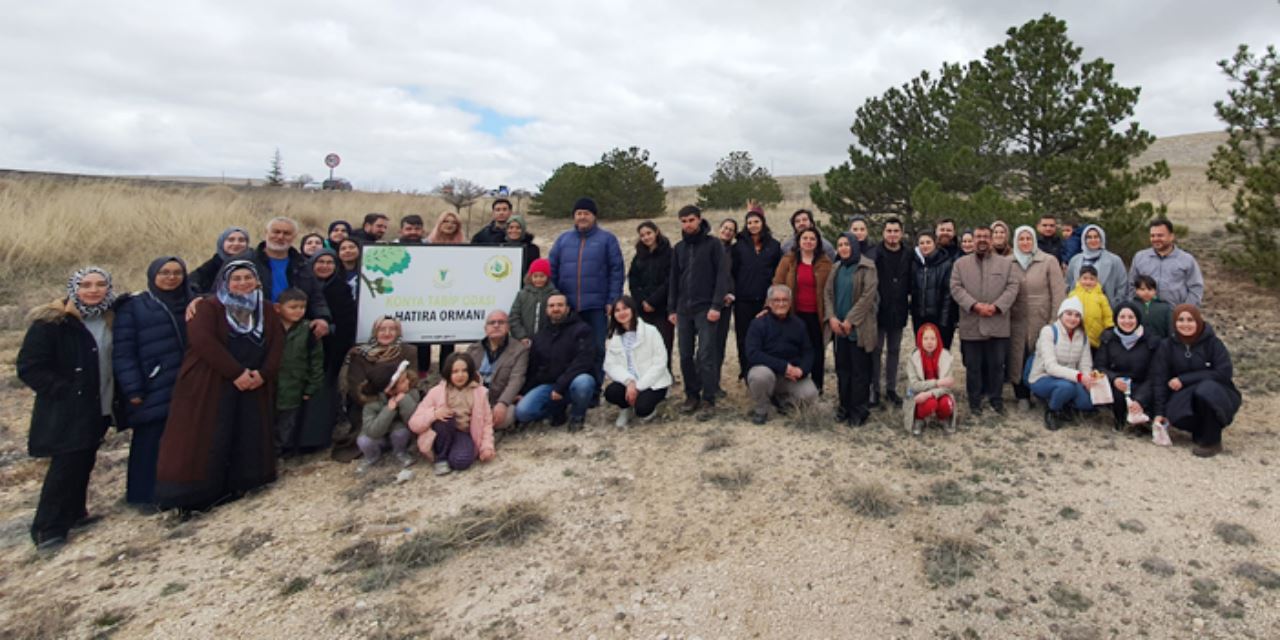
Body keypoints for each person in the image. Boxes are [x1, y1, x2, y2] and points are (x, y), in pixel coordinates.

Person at [154, 259, 284, 512]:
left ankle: (241, 482)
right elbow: (203, 342)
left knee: (246, 432)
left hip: (253, 382)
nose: (243, 283)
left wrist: (264, 373)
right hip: (212, 380)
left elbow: (277, 343)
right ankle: (197, 495)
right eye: (236, 279)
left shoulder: (265, 308)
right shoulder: (209, 307)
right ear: (225, 282)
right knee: (208, 434)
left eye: (248, 278)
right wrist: (236, 373)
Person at [18, 267, 121, 550]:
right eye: (86, 285)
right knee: (65, 466)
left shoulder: (108, 318)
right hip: (66, 409)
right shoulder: (52, 323)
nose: (93, 290)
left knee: (84, 459)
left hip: (99, 403)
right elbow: (29, 367)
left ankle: (75, 513)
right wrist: (65, 390)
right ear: (74, 288)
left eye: (100, 284)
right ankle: (47, 529)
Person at [113, 258, 192, 508]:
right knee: (148, 440)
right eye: (165, 273)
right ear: (152, 275)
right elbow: (123, 351)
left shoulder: (191, 301)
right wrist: (133, 388)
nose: (171, 277)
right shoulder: (136, 306)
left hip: (185, 381)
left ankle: (173, 490)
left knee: (179, 438)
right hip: (152, 382)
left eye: (177, 272)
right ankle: (141, 495)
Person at [548, 197, 625, 391]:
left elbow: (617, 270)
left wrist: (612, 299)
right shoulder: (563, 240)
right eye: (579, 213)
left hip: (597, 306)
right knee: (569, 349)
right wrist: (557, 298)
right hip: (570, 307)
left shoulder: (607, 239)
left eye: (586, 213)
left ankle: (595, 388)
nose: (582, 217)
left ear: (594, 216)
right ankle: (569, 388)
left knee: (597, 348)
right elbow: (553, 269)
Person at [668, 206, 732, 420]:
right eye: (684, 221)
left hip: (707, 309)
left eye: (691, 220)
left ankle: (708, 399)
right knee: (685, 355)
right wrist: (672, 309)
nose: (688, 224)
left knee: (706, 355)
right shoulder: (678, 248)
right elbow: (674, 281)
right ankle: (691, 395)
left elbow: (722, 277)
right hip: (684, 310)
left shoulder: (713, 245)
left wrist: (716, 306)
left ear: (699, 220)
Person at [1152, 305, 1241, 457]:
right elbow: (1160, 379)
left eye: (1190, 320)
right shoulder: (1166, 346)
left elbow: (1223, 373)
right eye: (1180, 320)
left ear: (1198, 321)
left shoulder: (1213, 343)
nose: (1185, 324)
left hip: (1218, 392)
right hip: (1184, 395)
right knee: (1174, 413)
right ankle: (1200, 430)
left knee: (1206, 391)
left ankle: (1212, 441)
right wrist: (1159, 412)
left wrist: (1184, 379)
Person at [950, 226, 1020, 415]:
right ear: (972, 240)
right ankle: (975, 402)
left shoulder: (1006, 264)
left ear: (991, 240)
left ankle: (996, 400)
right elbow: (955, 288)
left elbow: (1013, 287)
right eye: (978, 236)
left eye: (986, 237)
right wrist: (974, 305)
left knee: (997, 365)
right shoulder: (960, 264)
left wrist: (996, 307)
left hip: (997, 323)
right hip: (971, 322)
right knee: (972, 366)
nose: (982, 240)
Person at [334, 316, 419, 462]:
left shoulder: (408, 351)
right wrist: (381, 403)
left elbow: (412, 381)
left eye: (392, 329)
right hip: (369, 405)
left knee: (405, 424)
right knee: (366, 438)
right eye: (382, 329)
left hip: (399, 403)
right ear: (375, 332)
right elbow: (356, 388)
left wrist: (395, 400)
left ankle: (400, 447)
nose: (387, 333)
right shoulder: (358, 354)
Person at [514, 293, 598, 431]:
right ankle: (555, 411)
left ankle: (577, 415)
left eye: (560, 305)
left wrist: (560, 386)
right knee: (523, 412)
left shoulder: (582, 330)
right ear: (547, 310)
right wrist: (524, 392)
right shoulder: (540, 336)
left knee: (584, 382)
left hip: (572, 383)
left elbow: (583, 361)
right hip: (548, 386)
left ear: (567, 308)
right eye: (551, 306)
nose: (556, 309)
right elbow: (533, 367)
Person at [1007, 225, 1067, 411]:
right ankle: (1021, 395)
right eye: (1021, 239)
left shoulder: (1048, 261)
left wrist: (1054, 321)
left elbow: (1058, 293)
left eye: (1028, 239)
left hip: (1041, 317)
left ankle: (1040, 393)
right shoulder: (1008, 262)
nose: (1025, 242)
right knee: (1017, 356)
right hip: (1016, 318)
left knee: (1041, 355)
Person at [823, 233, 879, 426]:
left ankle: (859, 411)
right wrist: (831, 317)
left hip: (859, 330)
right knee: (843, 370)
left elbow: (867, 297)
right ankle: (844, 407)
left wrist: (850, 321)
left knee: (859, 372)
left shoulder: (867, 267)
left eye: (847, 244)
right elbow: (828, 293)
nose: (844, 248)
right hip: (839, 330)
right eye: (840, 245)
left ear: (854, 245)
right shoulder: (836, 267)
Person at [410, 352, 496, 475]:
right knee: (447, 417)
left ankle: (453, 452)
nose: (460, 375)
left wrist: (487, 447)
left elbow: (487, 423)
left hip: (463, 433)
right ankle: (441, 458)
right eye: (455, 371)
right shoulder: (436, 392)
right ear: (448, 373)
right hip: (441, 433)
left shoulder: (480, 393)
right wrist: (434, 414)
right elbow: (414, 423)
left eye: (464, 371)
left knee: (461, 461)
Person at [745, 285, 819, 424]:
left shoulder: (799, 324)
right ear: (769, 303)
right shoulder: (758, 324)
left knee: (810, 394)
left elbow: (808, 351)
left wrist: (801, 370)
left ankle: (782, 402)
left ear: (790, 302)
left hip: (791, 376)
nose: (781, 304)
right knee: (759, 376)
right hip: (767, 372)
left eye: (785, 300)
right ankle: (762, 409)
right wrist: (784, 367)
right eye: (776, 300)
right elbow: (752, 353)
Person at [773, 227, 833, 395]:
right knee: (794, 350)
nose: (808, 241)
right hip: (794, 314)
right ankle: (793, 387)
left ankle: (817, 388)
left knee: (817, 352)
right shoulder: (789, 261)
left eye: (812, 239)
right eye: (805, 238)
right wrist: (770, 308)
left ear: (817, 242)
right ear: (798, 242)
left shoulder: (825, 263)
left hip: (816, 315)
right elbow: (777, 284)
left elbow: (830, 291)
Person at [249, 217, 332, 335]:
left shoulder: (302, 264)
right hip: (255, 328)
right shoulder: (247, 261)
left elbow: (316, 296)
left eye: (286, 233)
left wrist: (322, 318)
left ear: (294, 237)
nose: (280, 237)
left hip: (293, 330)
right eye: (276, 232)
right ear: (266, 233)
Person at [307, 249, 355, 451]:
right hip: (306, 347)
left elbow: (348, 320)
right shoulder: (304, 286)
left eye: (330, 262)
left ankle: (319, 436)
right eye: (320, 262)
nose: (325, 266)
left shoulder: (341, 288)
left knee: (326, 390)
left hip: (334, 346)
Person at [730, 206, 783, 381]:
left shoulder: (774, 246)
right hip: (743, 300)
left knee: (767, 336)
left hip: (766, 301)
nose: (753, 225)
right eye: (749, 222)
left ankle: (766, 370)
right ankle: (746, 370)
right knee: (744, 336)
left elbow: (777, 273)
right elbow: (733, 272)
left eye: (756, 222)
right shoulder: (738, 247)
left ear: (763, 223)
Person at [1026, 297, 1096, 430]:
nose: (1072, 318)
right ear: (1061, 314)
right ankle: (1053, 411)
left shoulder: (1082, 336)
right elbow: (1050, 367)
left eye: (1077, 315)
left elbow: (1085, 364)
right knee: (1066, 387)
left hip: (1071, 378)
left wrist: (1086, 379)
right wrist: (1079, 376)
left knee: (1087, 403)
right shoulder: (1049, 331)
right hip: (1043, 377)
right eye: (1068, 314)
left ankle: (1066, 405)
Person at [603, 296, 673, 427]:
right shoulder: (614, 336)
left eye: (625, 308)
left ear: (633, 310)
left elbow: (660, 362)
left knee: (642, 409)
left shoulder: (651, 331)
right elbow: (610, 365)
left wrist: (638, 386)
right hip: (629, 382)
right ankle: (625, 408)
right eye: (617, 310)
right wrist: (629, 382)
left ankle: (653, 407)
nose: (621, 313)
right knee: (610, 392)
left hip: (652, 382)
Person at [1094, 302, 1160, 432]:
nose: (1127, 321)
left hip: (1142, 385)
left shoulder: (1151, 340)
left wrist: (1140, 399)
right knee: (1115, 391)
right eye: (1122, 317)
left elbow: (1154, 374)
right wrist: (1114, 379)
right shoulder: (1108, 338)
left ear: (1138, 319)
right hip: (1118, 385)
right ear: (1116, 319)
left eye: (1131, 317)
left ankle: (1143, 422)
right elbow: (1099, 366)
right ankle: (1119, 420)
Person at [273, 288, 324, 455]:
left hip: (295, 387)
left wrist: (311, 386)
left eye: (302, 307)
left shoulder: (309, 331)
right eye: (293, 307)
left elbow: (316, 362)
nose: (298, 311)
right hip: (270, 386)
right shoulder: (269, 328)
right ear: (278, 308)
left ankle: (279, 453)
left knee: (286, 424)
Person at [465, 310, 528, 432]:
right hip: (474, 401)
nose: (496, 325)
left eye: (501, 322)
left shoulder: (519, 350)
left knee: (507, 416)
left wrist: (503, 403)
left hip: (498, 401)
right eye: (492, 323)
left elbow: (516, 379)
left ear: (508, 326)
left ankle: (477, 427)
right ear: (485, 328)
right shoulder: (473, 349)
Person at [873, 217, 912, 408]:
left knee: (894, 351)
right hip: (879, 311)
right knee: (876, 351)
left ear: (901, 233)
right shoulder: (875, 254)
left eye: (896, 231)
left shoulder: (909, 254)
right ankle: (875, 391)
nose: (892, 234)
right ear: (883, 233)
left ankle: (891, 389)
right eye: (889, 231)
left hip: (899, 310)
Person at [354, 360, 419, 473]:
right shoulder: (371, 403)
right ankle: (372, 456)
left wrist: (404, 399)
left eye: (406, 378)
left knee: (401, 433)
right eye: (403, 381)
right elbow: (373, 431)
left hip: (397, 428)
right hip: (377, 432)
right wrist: (389, 410)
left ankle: (400, 451)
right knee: (364, 441)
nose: (408, 382)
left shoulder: (411, 392)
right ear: (390, 389)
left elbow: (413, 420)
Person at [1126, 219, 1204, 307]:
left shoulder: (1187, 260)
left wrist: (1185, 311)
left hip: (1176, 314)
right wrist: (1135, 307)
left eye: (1160, 235)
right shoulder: (1140, 257)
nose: (1155, 239)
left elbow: (1196, 288)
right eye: (1152, 236)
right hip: (1146, 312)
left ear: (1171, 236)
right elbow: (1131, 285)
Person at [628, 221, 674, 367]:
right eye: (642, 235)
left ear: (656, 232)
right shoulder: (639, 256)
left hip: (663, 307)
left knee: (664, 343)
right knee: (645, 344)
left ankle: (665, 375)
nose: (646, 237)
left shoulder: (669, 253)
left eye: (649, 233)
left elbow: (670, 281)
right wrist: (642, 301)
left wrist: (653, 301)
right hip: (643, 308)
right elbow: (633, 280)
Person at [904, 323, 958, 436]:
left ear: (938, 339)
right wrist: (937, 382)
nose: (929, 342)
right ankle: (919, 419)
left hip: (939, 393)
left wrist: (929, 394)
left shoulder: (946, 357)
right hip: (919, 394)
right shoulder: (913, 358)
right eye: (926, 338)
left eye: (933, 338)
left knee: (946, 403)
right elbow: (914, 385)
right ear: (920, 340)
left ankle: (943, 419)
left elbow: (947, 386)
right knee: (929, 404)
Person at [910, 231, 957, 350]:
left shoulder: (946, 264)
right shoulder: (915, 264)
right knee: (922, 352)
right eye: (921, 243)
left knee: (940, 353)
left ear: (935, 243)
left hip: (939, 317)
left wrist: (944, 320)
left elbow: (948, 294)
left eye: (928, 242)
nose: (925, 246)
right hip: (920, 317)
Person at [1066, 224, 1127, 310]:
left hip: (1107, 311)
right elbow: (1068, 285)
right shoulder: (1075, 260)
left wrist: (1115, 306)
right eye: (1089, 237)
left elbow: (1122, 286)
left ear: (1102, 238)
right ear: (1084, 239)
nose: (1093, 240)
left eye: (1096, 237)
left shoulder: (1114, 260)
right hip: (1078, 312)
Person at [712, 218, 739, 398]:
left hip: (726, 303)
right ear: (719, 228)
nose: (727, 231)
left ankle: (714, 383)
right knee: (706, 345)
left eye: (731, 230)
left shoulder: (734, 252)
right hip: (709, 303)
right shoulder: (710, 247)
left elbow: (735, 275)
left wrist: (731, 294)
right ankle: (701, 381)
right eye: (725, 228)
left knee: (719, 345)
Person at [509, 258, 561, 346]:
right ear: (530, 277)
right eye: (535, 276)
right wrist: (521, 336)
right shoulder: (522, 294)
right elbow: (514, 316)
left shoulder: (554, 295)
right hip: (524, 341)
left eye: (542, 276)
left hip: (547, 341)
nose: (538, 279)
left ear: (547, 277)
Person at [191, 227, 250, 294]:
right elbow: (193, 280)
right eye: (231, 240)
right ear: (222, 243)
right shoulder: (214, 263)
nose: (236, 243)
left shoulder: (254, 261)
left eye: (241, 240)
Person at [1069, 265, 1114, 349]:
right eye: (1085, 278)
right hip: (1076, 335)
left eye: (1092, 279)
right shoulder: (1073, 295)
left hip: (1096, 337)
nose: (1088, 282)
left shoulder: (1101, 297)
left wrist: (1109, 328)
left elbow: (1107, 315)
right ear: (1079, 279)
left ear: (1096, 281)